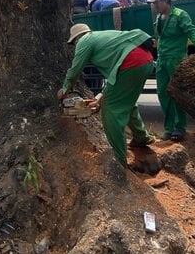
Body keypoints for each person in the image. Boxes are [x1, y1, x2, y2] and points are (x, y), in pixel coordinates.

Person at [57, 24, 156, 165]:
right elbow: (114, 78)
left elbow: (75, 68)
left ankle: (119, 159)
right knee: (126, 102)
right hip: (145, 60)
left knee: (111, 110)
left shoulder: (85, 41)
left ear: (77, 38)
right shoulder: (103, 38)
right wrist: (100, 97)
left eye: (73, 43)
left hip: (131, 63)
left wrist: (65, 88)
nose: (75, 45)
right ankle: (141, 137)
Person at [148, 0, 195, 141]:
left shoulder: (180, 15)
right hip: (162, 61)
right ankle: (168, 128)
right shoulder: (159, 16)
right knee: (162, 94)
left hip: (176, 60)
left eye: (157, 2)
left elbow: (192, 32)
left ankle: (179, 127)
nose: (155, 5)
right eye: (154, 3)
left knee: (176, 94)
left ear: (165, 0)